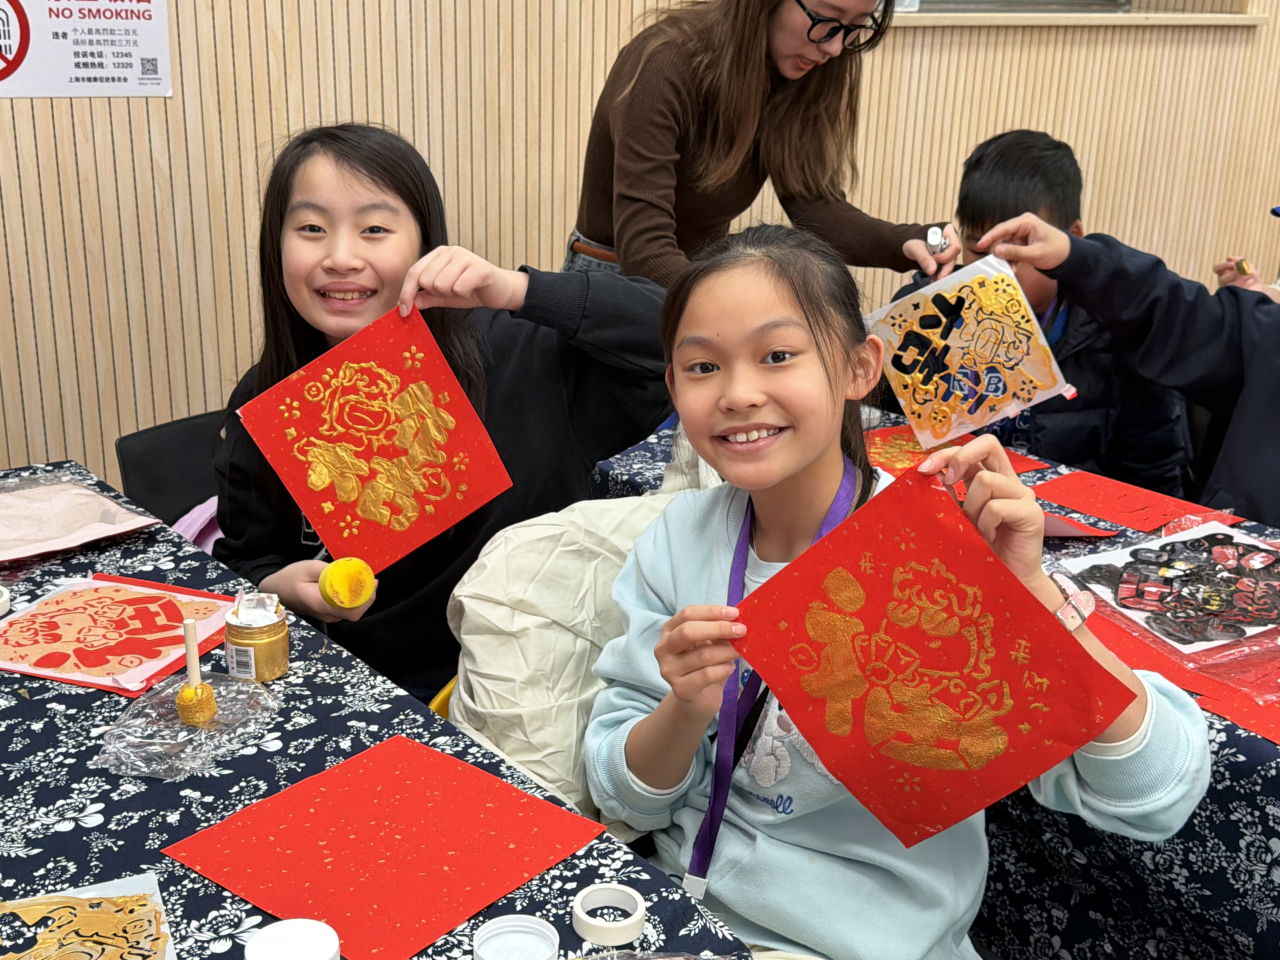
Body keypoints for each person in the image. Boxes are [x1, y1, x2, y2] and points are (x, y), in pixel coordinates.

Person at [584, 225, 1209, 959]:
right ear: (673, 388)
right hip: (681, 911)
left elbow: (1155, 794)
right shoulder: (676, 540)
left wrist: (1032, 594)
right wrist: (685, 709)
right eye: (702, 366)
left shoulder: (936, 550)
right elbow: (625, 796)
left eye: (778, 355)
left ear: (860, 368)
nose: (738, 393)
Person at [214, 124, 671, 701]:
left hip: (531, 694)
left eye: (374, 229)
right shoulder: (265, 400)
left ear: (424, 243)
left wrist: (517, 290)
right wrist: (281, 585)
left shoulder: (522, 355)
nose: (341, 257)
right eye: (311, 229)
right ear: (275, 247)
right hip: (367, 694)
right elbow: (243, 559)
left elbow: (675, 338)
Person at [876, 130, 1193, 496]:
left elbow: (1154, 486)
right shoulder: (924, 316)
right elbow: (882, 437)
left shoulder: (1118, 335)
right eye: (979, 251)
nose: (995, 272)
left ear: (1072, 240)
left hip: (1065, 516)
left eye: (1016, 252)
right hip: (947, 503)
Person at [567, 0, 961, 286]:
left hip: (698, 277)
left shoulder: (801, 70)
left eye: (856, 26)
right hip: (613, 278)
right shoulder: (665, 62)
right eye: (825, 19)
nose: (835, 47)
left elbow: (814, 206)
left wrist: (906, 241)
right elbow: (645, 250)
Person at [977, 212, 1280, 528]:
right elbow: (1171, 310)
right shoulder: (1257, 335)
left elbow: (1156, 469)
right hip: (1230, 546)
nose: (1000, 269)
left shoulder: (1109, 348)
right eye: (980, 250)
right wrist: (1075, 257)